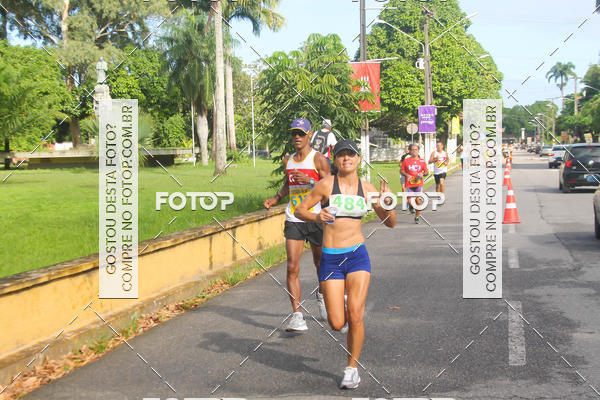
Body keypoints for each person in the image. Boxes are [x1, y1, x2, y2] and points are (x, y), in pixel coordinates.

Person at [294, 139, 396, 389]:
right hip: (331, 259)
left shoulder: (368, 188)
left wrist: (387, 202)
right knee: (337, 323)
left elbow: (390, 222)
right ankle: (342, 301)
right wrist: (317, 216)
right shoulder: (326, 185)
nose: (346, 158)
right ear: (335, 159)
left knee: (356, 315)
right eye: (341, 155)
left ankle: (352, 368)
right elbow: (299, 211)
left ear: (358, 159)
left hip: (357, 255)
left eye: (351, 154)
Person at [263, 118, 331, 331]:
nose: (297, 137)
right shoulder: (288, 160)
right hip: (294, 218)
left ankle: (322, 294)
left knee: (320, 263)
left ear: (310, 134)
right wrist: (276, 198)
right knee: (292, 266)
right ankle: (297, 315)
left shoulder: (318, 159)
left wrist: (309, 181)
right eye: (294, 133)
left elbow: (330, 188)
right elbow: (288, 183)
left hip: (316, 218)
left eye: (301, 133)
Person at [400, 144, 429, 224]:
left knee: (418, 201)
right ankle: (411, 206)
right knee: (410, 201)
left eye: (416, 149)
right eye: (412, 149)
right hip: (409, 184)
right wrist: (407, 175)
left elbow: (426, 172)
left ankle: (417, 217)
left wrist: (423, 173)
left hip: (418, 184)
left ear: (418, 151)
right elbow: (401, 170)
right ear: (409, 151)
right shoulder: (406, 161)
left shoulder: (422, 161)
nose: (414, 151)